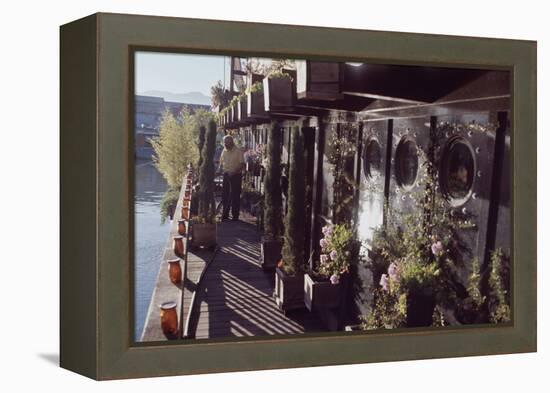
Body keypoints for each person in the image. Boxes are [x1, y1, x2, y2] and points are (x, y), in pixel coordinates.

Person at [218, 135, 245, 221]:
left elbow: (242, 165)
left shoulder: (238, 151)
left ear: (231, 142)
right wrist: (219, 170)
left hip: (236, 175)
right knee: (225, 195)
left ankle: (235, 216)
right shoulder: (224, 150)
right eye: (225, 143)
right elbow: (221, 162)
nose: (225, 144)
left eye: (227, 143)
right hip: (226, 175)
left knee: (235, 196)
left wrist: (234, 172)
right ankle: (225, 214)